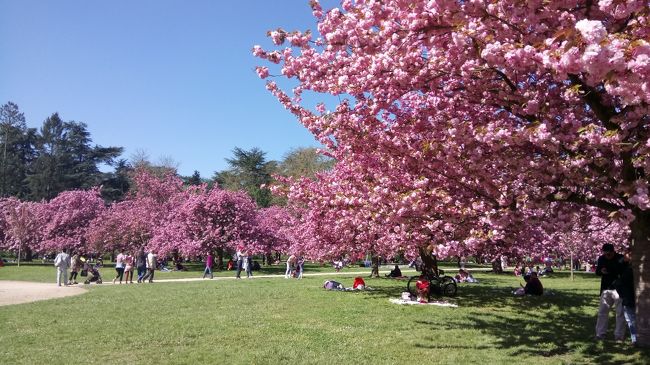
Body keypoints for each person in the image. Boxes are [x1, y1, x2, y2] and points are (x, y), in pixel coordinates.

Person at [595, 243, 625, 340]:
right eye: (605, 253)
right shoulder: (601, 259)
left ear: (613, 252)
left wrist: (611, 269)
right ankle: (600, 334)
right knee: (602, 312)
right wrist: (601, 271)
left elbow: (622, 271)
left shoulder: (620, 258)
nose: (607, 256)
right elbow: (597, 272)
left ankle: (619, 335)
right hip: (606, 288)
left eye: (609, 254)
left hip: (618, 289)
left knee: (620, 313)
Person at [616, 252, 637, 346]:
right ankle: (635, 338)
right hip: (628, 296)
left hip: (629, 297)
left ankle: (635, 339)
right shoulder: (627, 268)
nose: (625, 256)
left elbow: (620, 283)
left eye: (627, 254)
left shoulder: (629, 270)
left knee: (631, 318)